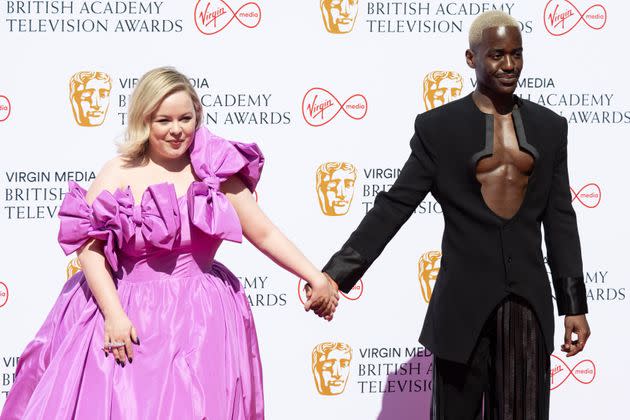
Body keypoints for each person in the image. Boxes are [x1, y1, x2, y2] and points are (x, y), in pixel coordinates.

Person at [0, 67, 338, 420]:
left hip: (201, 317)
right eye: (164, 120)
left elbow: (265, 234)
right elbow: (89, 248)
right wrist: (114, 314)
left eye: (185, 118)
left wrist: (314, 276)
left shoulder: (214, 172)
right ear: (144, 120)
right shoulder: (118, 171)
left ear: (197, 116)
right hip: (128, 315)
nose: (177, 130)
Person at [321, 11, 591, 419]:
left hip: (527, 307)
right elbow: (395, 205)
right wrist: (336, 274)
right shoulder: (439, 128)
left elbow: (560, 219)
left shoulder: (550, 128)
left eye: (517, 54)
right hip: (461, 308)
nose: (509, 65)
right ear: (471, 58)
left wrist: (574, 304)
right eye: (497, 55)